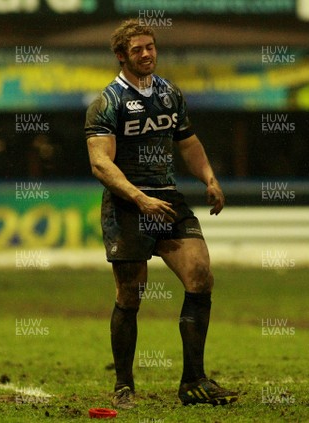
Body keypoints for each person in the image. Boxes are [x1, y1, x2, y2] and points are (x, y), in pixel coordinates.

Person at [85, 19, 238, 409]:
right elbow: (101, 164)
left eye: (150, 47)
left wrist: (209, 178)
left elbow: (188, 143)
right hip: (128, 205)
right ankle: (123, 386)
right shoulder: (107, 102)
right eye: (137, 49)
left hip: (168, 200)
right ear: (122, 55)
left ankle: (193, 381)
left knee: (200, 276)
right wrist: (139, 199)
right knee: (130, 295)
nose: (146, 54)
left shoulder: (170, 93)